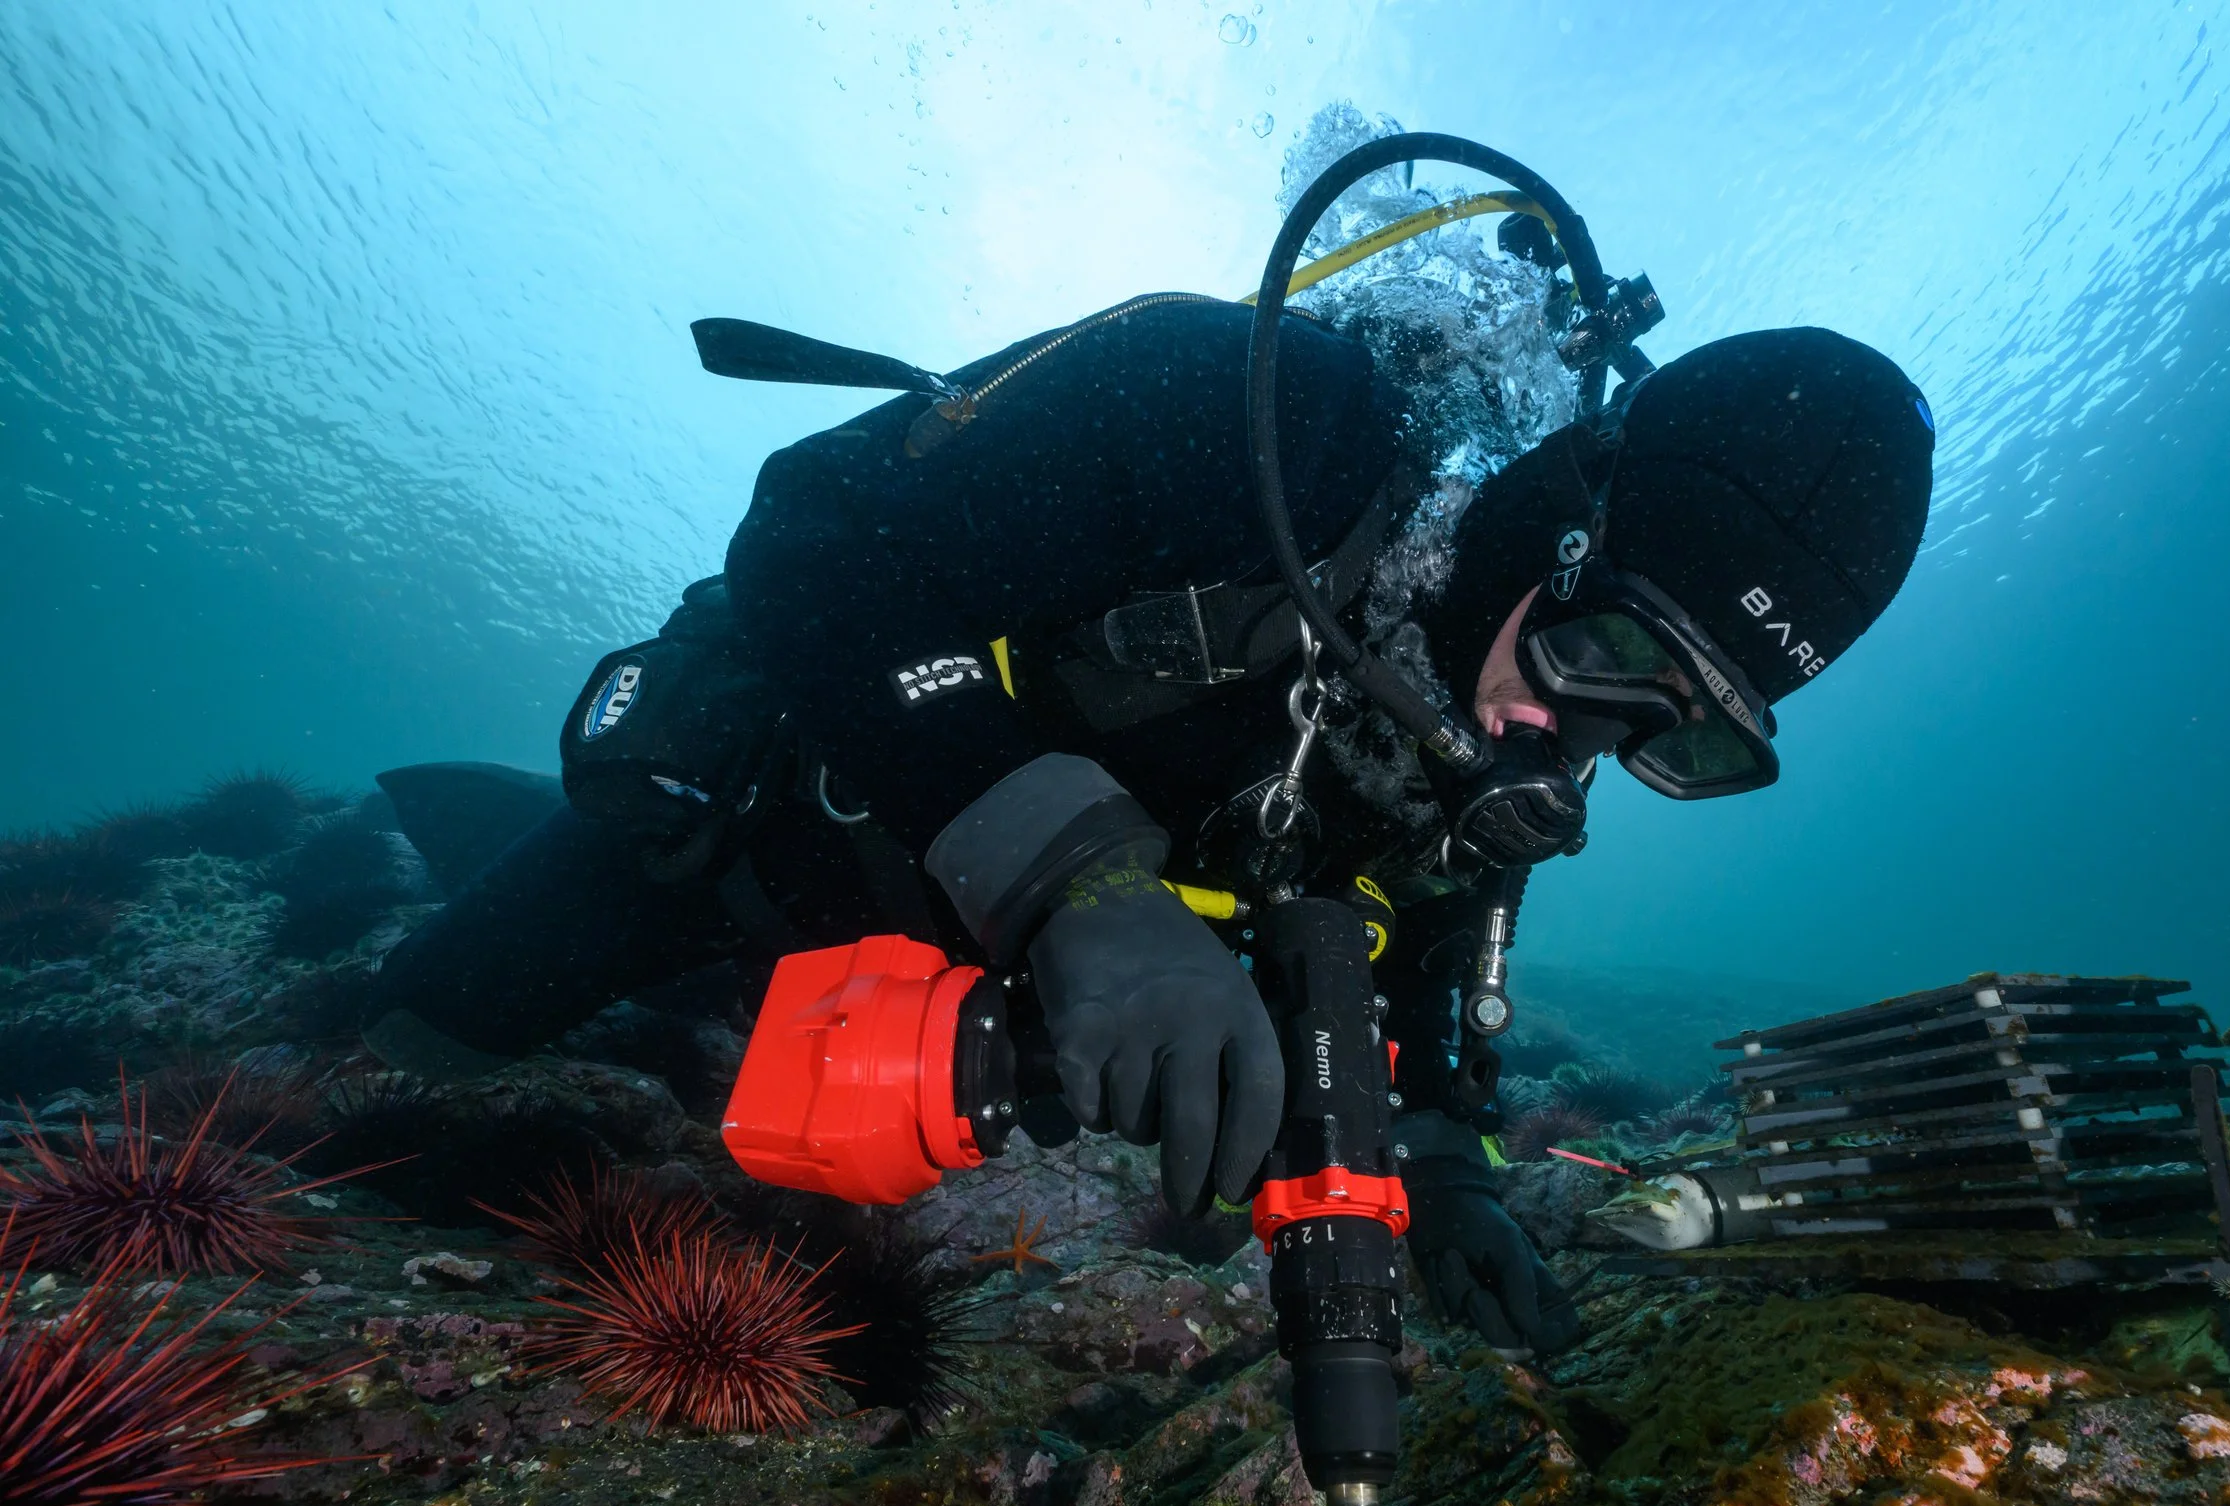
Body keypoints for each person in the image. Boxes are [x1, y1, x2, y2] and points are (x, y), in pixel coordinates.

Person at [361, 292, 1934, 1357]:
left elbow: (1435, 956)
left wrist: (1445, 1165)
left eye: (1683, 730)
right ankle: (494, 839)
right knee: (407, 1054)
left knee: (729, 1062)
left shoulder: (1499, 739)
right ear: (1568, 507)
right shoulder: (1252, 416)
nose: (1577, 736)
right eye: (1618, 654)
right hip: (775, 838)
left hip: (915, 1016)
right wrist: (1083, 880)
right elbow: (818, 537)